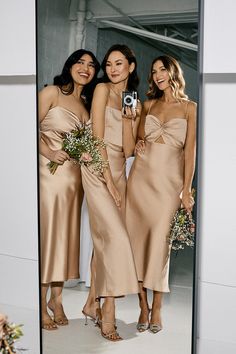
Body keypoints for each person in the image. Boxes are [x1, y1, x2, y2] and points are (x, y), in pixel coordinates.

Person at [126, 55, 196, 333]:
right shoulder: (147, 105)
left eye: (162, 69)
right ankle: (142, 306)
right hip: (140, 181)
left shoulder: (190, 108)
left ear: (173, 73)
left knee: (160, 246)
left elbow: (189, 153)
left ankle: (157, 308)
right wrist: (136, 134)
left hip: (169, 185)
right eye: (153, 71)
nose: (157, 75)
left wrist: (186, 190)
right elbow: (134, 143)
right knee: (137, 245)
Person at [81, 44, 141, 341]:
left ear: (131, 66)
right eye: (109, 63)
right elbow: (97, 137)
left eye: (119, 63)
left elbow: (129, 149)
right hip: (96, 166)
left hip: (118, 168)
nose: (113, 68)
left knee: (104, 240)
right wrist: (106, 178)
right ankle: (107, 312)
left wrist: (131, 119)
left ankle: (92, 302)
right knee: (116, 237)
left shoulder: (130, 98)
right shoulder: (103, 89)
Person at [39, 49, 100, 330]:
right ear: (70, 66)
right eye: (80, 62)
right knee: (49, 237)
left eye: (91, 65)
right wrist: (49, 153)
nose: (85, 68)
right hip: (49, 176)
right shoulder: (52, 92)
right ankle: (39, 304)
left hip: (75, 181)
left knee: (65, 239)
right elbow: (24, 127)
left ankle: (57, 299)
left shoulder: (87, 104)